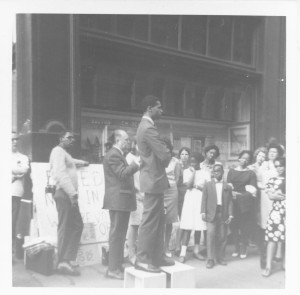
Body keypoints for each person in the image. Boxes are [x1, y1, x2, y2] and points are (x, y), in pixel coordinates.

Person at [135, 95, 174, 273]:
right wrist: (167, 152)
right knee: (151, 220)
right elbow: (164, 155)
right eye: (159, 107)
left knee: (157, 220)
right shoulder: (148, 128)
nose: (162, 110)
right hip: (153, 180)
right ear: (150, 108)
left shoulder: (146, 126)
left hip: (154, 180)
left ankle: (156, 256)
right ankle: (142, 258)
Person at [49, 130, 89, 276]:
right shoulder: (58, 151)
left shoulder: (64, 153)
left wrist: (83, 163)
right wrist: (73, 193)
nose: (72, 140)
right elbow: (60, 173)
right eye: (69, 138)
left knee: (77, 225)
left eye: (73, 137)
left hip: (68, 195)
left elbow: (71, 163)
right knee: (65, 227)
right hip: (65, 194)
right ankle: (62, 262)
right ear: (61, 139)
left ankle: (67, 258)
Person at [103, 130, 140, 280]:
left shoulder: (116, 154)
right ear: (118, 140)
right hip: (119, 200)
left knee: (119, 234)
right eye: (126, 140)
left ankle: (116, 265)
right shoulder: (114, 154)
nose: (128, 143)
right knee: (117, 235)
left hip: (120, 200)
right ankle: (113, 269)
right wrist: (136, 163)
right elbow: (123, 174)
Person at [178, 152, 209, 263]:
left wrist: (197, 186)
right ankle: (182, 253)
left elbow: (206, 188)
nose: (192, 163)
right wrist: (194, 173)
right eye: (191, 161)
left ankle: (196, 251)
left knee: (198, 225)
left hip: (200, 199)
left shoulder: (206, 173)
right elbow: (188, 185)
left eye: (194, 161)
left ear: (199, 162)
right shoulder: (187, 171)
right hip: (190, 199)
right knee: (187, 225)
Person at [201, 164, 234, 269]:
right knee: (210, 234)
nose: (217, 173)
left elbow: (230, 202)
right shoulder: (208, 185)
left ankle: (221, 257)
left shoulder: (227, 186)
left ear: (223, 172)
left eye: (219, 171)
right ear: (212, 173)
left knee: (223, 235)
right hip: (211, 213)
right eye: (215, 171)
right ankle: (210, 259)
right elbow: (204, 199)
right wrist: (203, 212)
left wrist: (231, 214)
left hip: (223, 213)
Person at [227, 150, 257, 259]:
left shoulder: (251, 173)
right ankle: (236, 247)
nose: (244, 160)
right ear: (239, 158)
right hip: (233, 202)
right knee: (234, 225)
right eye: (243, 158)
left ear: (249, 162)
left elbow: (252, 190)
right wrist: (232, 193)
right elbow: (228, 186)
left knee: (244, 225)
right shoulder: (231, 172)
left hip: (245, 202)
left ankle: (244, 247)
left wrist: (239, 195)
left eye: (247, 159)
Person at [258, 143, 284, 267]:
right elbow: (258, 181)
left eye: (275, 152)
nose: (272, 154)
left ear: (279, 153)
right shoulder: (263, 165)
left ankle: (279, 252)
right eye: (270, 152)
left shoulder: (281, 165)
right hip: (265, 197)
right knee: (266, 224)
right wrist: (264, 188)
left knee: (280, 224)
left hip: (279, 198)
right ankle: (265, 255)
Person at [261, 157, 286, 277]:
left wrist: (279, 195)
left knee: (288, 238)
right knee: (272, 239)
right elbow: (271, 196)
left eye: (281, 165)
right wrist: (279, 195)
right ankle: (268, 266)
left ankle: (286, 263)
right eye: (276, 166)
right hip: (276, 212)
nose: (279, 168)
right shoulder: (272, 180)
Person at [199, 145, 222, 254]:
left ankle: (213, 248)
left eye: (214, 153)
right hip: (201, 194)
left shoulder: (218, 166)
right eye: (210, 152)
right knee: (203, 221)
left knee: (213, 223)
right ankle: (204, 246)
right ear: (206, 153)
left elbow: (221, 181)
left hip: (214, 196)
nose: (212, 155)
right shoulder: (200, 165)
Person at [161, 136, 181, 257]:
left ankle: (166, 248)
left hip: (172, 190)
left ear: (169, 148)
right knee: (158, 220)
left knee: (169, 221)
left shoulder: (175, 161)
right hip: (159, 190)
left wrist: (171, 186)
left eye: (166, 146)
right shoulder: (157, 159)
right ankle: (157, 247)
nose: (164, 149)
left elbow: (177, 178)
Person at [125, 137, 144, 265]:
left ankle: (139, 252)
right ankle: (131, 254)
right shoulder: (129, 158)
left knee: (142, 225)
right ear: (135, 145)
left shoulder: (145, 158)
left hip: (146, 195)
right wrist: (137, 192)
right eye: (139, 145)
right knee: (134, 225)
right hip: (135, 195)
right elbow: (127, 178)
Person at [12, 132, 30, 259]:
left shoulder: (23, 157)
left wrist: (12, 170)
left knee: (12, 221)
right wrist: (14, 174)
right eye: (12, 140)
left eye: (16, 139)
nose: (14, 142)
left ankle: (12, 251)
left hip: (16, 192)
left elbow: (24, 169)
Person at [175, 147, 191, 254]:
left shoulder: (190, 167)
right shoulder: (177, 165)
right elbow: (175, 181)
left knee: (188, 220)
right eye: (182, 154)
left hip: (188, 193)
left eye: (186, 154)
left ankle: (184, 244)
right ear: (179, 155)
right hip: (179, 194)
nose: (184, 156)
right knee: (181, 220)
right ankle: (177, 245)